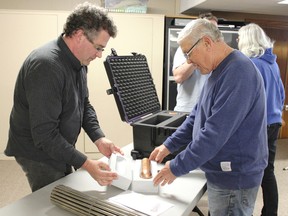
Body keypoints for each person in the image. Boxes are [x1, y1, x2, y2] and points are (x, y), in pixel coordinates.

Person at [149, 18, 268, 216]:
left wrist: (176, 167)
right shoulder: (216, 70)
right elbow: (196, 117)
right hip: (222, 173)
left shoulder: (238, 72)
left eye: (189, 53)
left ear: (206, 43)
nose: (188, 61)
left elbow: (214, 134)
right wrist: (168, 145)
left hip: (234, 177)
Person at [5, 2, 123, 192]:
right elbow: (44, 135)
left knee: (66, 184)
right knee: (53, 198)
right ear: (79, 35)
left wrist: (99, 138)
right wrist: (86, 163)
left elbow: (83, 104)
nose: (99, 55)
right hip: (37, 151)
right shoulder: (46, 66)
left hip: (55, 141)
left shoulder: (81, 61)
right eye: (99, 48)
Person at [238, 23, 285, 216]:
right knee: (268, 171)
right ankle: (270, 213)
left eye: (240, 37)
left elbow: (245, 99)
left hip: (258, 125)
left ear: (248, 40)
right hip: (274, 122)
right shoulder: (271, 63)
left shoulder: (251, 64)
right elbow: (281, 93)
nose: (237, 41)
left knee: (247, 170)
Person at [173, 13, 218, 112]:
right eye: (209, 29)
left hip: (208, 109)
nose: (214, 33)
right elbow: (178, 77)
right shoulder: (184, 49)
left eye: (215, 29)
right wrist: (196, 55)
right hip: (187, 108)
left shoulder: (219, 52)